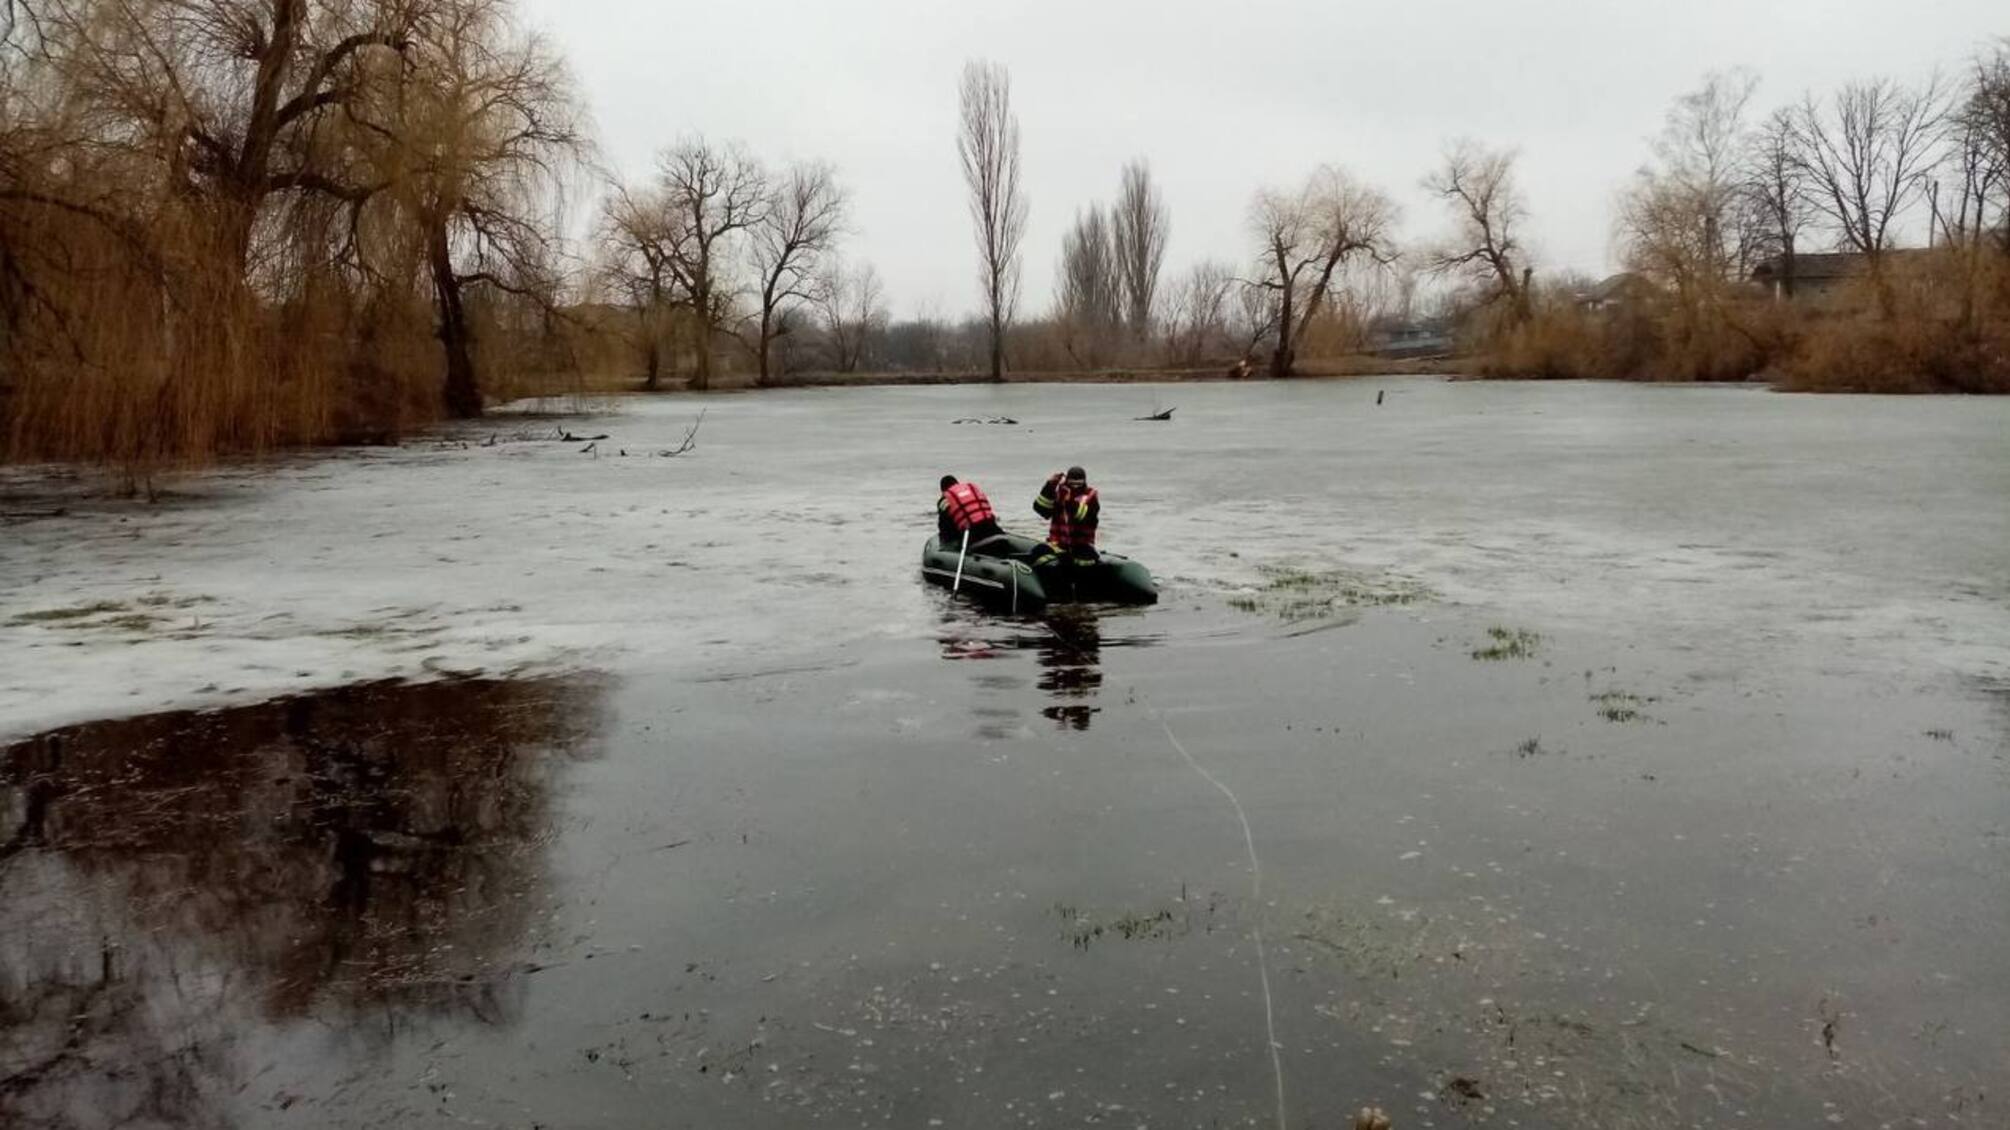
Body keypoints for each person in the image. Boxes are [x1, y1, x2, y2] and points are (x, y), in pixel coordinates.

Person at [1031, 466, 1099, 568]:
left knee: (1086, 563)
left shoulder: (1090, 497)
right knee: (1038, 553)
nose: (1075, 486)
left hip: (1081, 545)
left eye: (1078, 484)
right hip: (1058, 544)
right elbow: (1043, 510)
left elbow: (1087, 519)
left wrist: (1069, 501)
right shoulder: (1059, 494)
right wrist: (1050, 486)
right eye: (1072, 483)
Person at [938, 475, 1005, 548]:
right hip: (995, 530)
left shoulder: (945, 499)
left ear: (943, 490)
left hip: (973, 537)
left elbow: (945, 528)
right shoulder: (972, 489)